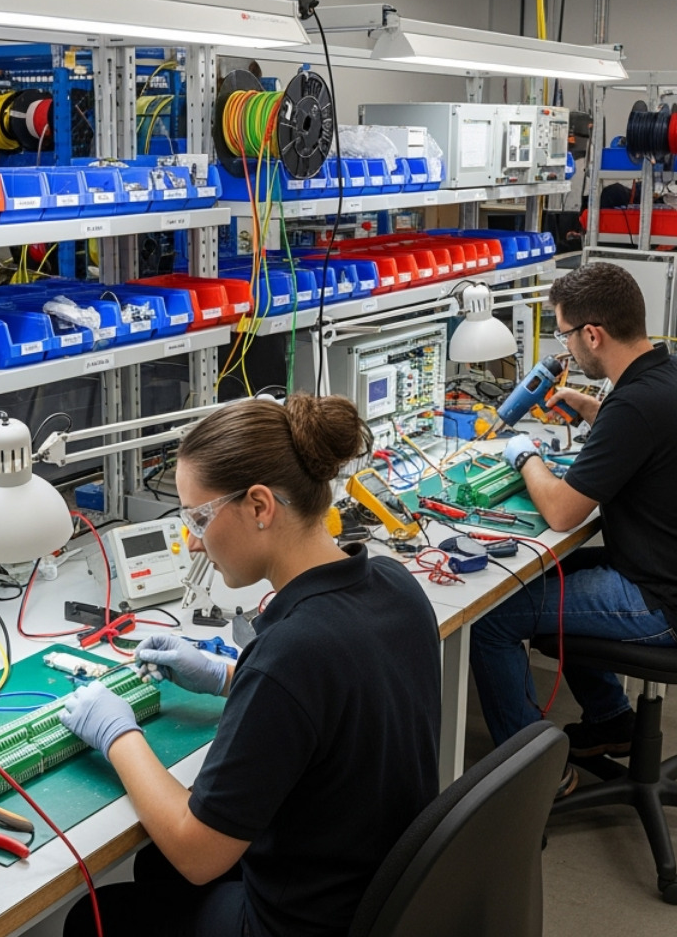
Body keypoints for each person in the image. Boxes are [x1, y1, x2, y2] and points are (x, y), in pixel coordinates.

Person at [58, 395, 442, 937]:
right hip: (374, 894)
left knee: (95, 917)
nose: (192, 541)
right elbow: (338, 702)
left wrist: (117, 733)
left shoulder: (291, 653)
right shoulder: (394, 584)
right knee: (153, 867)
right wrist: (225, 676)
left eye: (199, 517)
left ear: (260, 506)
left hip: (299, 924)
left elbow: (198, 852)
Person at [468, 263, 677, 783]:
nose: (566, 350)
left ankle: (533, 777)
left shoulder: (635, 404)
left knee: (490, 619)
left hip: (664, 603)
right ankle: (613, 720)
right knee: (553, 580)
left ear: (594, 333)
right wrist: (595, 410)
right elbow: (644, 437)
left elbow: (563, 512)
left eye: (566, 334)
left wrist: (523, 455)